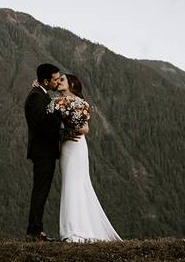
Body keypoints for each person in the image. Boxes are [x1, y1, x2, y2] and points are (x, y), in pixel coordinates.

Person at [53, 73, 121, 242]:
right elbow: (50, 125)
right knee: (69, 183)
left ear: (71, 84)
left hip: (77, 145)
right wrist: (63, 132)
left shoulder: (80, 103)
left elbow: (85, 129)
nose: (59, 81)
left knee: (78, 183)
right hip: (66, 146)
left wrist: (69, 128)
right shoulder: (55, 102)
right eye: (58, 79)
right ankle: (75, 227)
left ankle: (76, 230)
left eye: (62, 79)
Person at [24, 63, 74, 241]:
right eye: (54, 79)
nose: (57, 82)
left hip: (45, 151)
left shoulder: (41, 94)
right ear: (45, 81)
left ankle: (35, 230)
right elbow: (40, 126)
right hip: (42, 152)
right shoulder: (35, 98)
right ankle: (35, 231)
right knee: (40, 191)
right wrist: (62, 131)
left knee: (41, 191)